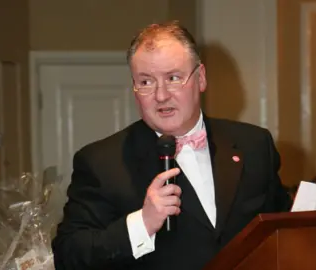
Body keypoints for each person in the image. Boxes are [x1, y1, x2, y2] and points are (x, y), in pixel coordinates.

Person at [52, 20, 292, 270]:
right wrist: (142, 224)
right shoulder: (101, 163)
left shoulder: (254, 145)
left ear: (200, 78)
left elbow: (282, 229)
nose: (161, 95)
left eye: (173, 78)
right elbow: (69, 255)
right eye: (146, 82)